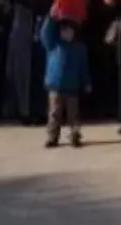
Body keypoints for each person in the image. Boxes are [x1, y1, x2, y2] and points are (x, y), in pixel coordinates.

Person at [38, 17, 89, 148]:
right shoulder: (53, 44)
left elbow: (83, 67)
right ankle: (52, 137)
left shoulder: (79, 48)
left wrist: (86, 81)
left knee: (74, 115)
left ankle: (74, 135)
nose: (67, 33)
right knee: (54, 113)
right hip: (55, 86)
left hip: (72, 86)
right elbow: (44, 32)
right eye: (64, 30)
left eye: (69, 31)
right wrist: (51, 17)